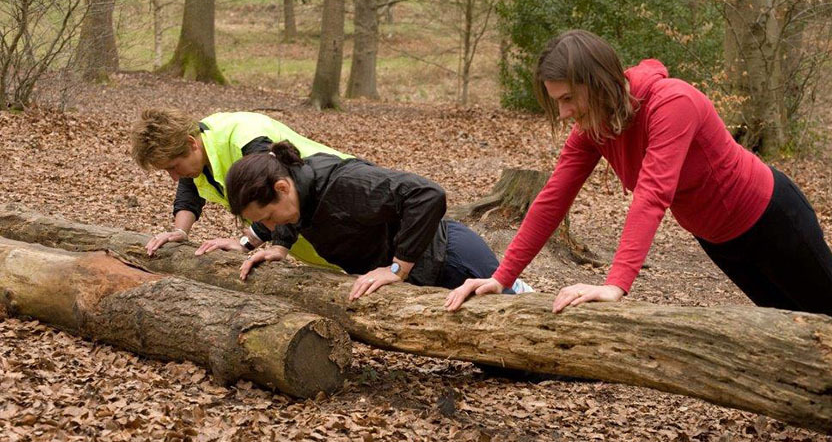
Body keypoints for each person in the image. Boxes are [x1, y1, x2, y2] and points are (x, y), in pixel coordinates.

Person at [444, 29, 832, 338]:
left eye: (567, 99)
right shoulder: (593, 127)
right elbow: (551, 200)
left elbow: (653, 194)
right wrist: (502, 277)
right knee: (796, 326)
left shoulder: (673, 102)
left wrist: (615, 284)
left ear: (598, 84)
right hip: (718, 238)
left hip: (772, 217)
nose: (563, 113)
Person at [223, 140, 533, 300]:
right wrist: (280, 246)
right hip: (430, 271)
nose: (271, 226)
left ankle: (529, 293)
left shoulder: (346, 184)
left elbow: (428, 194)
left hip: (451, 258)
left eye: (268, 217)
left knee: (526, 355)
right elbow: (300, 214)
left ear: (281, 187)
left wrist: (397, 269)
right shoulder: (299, 190)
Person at [131, 109, 349, 270]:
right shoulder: (200, 147)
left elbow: (281, 192)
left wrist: (249, 243)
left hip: (345, 212)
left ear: (191, 143)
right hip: (319, 242)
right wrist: (179, 231)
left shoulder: (245, 138)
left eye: (173, 167)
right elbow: (190, 188)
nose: (174, 176)